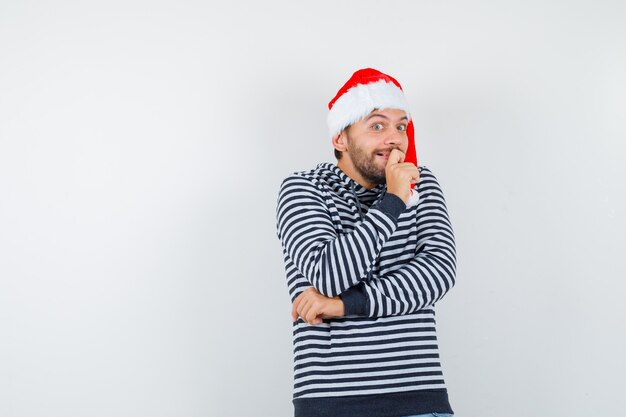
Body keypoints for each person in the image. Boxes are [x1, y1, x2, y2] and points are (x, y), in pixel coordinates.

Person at [276, 68, 456, 417]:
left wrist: (343, 305)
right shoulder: (303, 188)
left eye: (400, 125)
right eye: (377, 125)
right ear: (340, 139)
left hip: (419, 399)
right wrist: (392, 202)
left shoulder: (421, 185)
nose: (395, 138)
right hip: (331, 404)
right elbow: (327, 274)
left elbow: (438, 274)